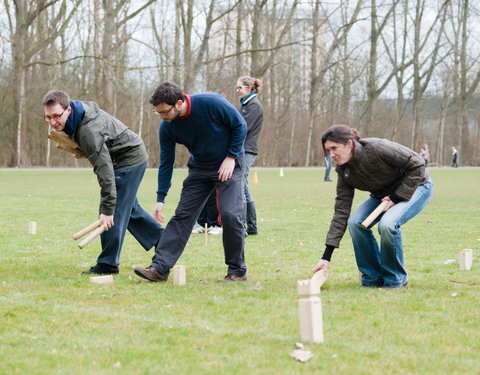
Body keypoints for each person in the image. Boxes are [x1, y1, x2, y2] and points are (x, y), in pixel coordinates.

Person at [134, 82, 247, 282]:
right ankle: (159, 268)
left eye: (164, 112)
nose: (161, 117)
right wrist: (160, 198)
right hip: (200, 168)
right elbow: (166, 163)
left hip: (229, 163)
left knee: (230, 214)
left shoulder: (212, 103)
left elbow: (240, 126)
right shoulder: (167, 127)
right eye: (157, 112)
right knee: (183, 216)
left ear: (179, 103)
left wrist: (231, 157)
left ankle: (236, 271)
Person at [42, 90, 164, 275]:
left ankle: (108, 264)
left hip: (128, 161)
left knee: (112, 213)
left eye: (56, 116)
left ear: (68, 110)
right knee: (128, 208)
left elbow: (105, 172)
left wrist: (107, 210)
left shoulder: (89, 130)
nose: (53, 122)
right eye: (48, 117)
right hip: (127, 154)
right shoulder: (78, 112)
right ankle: (164, 241)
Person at [312, 125, 433, 289]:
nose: (331, 155)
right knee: (355, 222)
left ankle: (395, 279)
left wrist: (396, 198)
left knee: (388, 225)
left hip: (416, 186)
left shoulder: (378, 147)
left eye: (334, 148)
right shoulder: (343, 171)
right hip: (382, 195)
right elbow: (341, 212)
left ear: (349, 144)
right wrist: (326, 257)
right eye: (328, 150)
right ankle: (372, 278)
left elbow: (418, 163)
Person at [235, 76, 264, 235]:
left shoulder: (253, 106)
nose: (237, 91)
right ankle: (251, 227)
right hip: (243, 149)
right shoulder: (245, 105)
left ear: (249, 88)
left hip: (247, 150)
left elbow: (242, 128)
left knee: (240, 185)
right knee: (244, 186)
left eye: (240, 87)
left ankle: (243, 228)